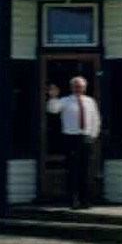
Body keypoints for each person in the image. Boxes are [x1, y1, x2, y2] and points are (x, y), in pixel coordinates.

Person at [46, 76, 101, 209]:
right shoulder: (65, 101)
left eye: (81, 86)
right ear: (72, 88)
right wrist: (53, 97)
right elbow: (52, 110)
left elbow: (96, 119)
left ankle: (86, 201)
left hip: (87, 138)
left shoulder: (90, 101)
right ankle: (73, 201)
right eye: (76, 86)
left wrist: (93, 136)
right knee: (73, 170)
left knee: (86, 171)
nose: (78, 89)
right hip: (71, 138)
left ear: (85, 88)